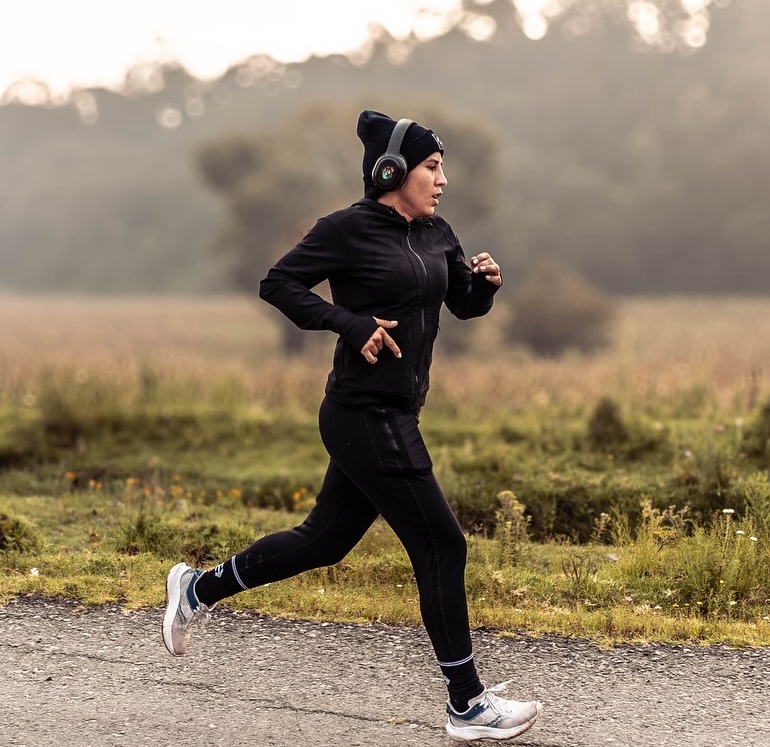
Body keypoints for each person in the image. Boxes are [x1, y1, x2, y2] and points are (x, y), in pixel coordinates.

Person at [162, 110, 543, 741]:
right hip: (363, 413)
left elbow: (460, 304)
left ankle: (196, 589)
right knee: (444, 546)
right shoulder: (347, 230)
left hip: (393, 412)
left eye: (442, 166)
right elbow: (278, 283)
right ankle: (466, 704)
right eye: (431, 166)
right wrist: (351, 323)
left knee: (322, 543)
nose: (442, 178)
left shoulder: (436, 232)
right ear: (392, 171)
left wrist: (485, 287)